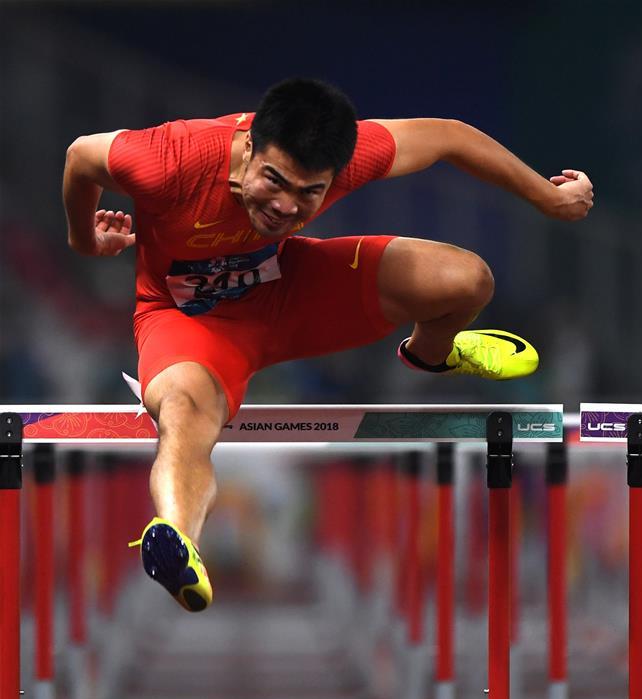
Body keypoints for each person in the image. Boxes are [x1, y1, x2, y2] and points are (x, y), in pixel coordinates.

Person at [63, 77, 593, 612]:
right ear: (248, 147)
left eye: (308, 192)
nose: (285, 207)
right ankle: (177, 540)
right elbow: (80, 156)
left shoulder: (349, 154)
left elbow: (449, 136)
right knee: (183, 409)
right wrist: (85, 239)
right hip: (188, 319)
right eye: (274, 180)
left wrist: (547, 197)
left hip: (289, 288)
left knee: (466, 279)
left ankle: (433, 353)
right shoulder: (169, 159)